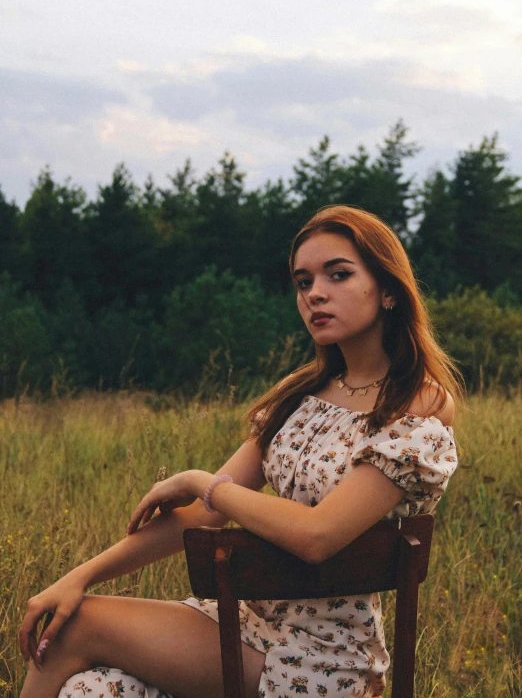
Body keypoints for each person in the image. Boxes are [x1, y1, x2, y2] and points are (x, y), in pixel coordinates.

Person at [18, 205, 460, 698]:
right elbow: (197, 517)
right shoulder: (302, 394)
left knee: (73, 630)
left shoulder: (416, 403)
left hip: (322, 659)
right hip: (247, 624)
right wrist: (79, 576)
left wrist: (200, 483)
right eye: (302, 281)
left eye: (338, 275)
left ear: (389, 290)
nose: (315, 293)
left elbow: (317, 536)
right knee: (92, 688)